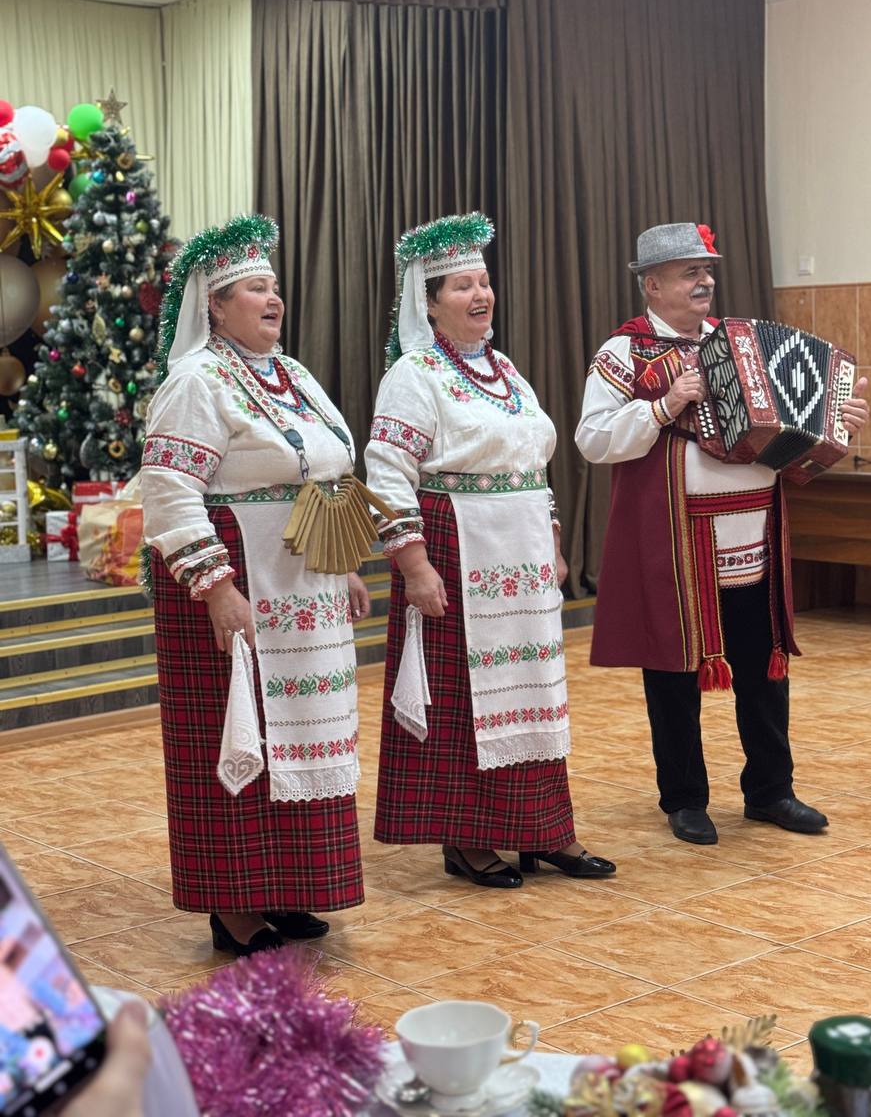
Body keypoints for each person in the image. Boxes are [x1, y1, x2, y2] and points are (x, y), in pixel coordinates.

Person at [576, 222, 869, 846]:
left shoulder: (742, 344)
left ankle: (771, 791)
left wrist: (839, 424)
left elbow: (795, 444)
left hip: (753, 534)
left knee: (765, 669)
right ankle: (684, 799)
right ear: (652, 285)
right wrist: (663, 405)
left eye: (707, 270)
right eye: (690, 271)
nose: (704, 280)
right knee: (674, 672)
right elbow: (593, 440)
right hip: (676, 541)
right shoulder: (623, 354)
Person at [364, 213, 614, 887]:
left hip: (522, 559)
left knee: (532, 689)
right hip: (457, 551)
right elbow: (386, 472)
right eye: (462, 286)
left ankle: (546, 830)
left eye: (484, 281)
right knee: (466, 698)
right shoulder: (414, 374)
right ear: (429, 303)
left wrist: (552, 540)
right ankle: (468, 837)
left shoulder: (505, 371)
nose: (481, 294)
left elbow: (531, 462)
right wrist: (414, 563)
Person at [141, 215, 369, 955]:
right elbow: (169, 489)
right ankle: (234, 905)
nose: (274, 299)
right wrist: (215, 586)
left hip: (303, 584)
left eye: (274, 287)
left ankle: (289, 885)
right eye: (254, 289)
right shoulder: (196, 381)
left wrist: (344, 561)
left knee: (301, 730)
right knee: (236, 728)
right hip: (235, 578)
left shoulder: (292, 374)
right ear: (214, 304)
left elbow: (327, 470)